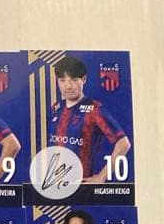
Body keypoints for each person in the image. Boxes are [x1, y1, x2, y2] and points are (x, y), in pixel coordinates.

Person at [47, 55, 131, 183]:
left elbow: (123, 143)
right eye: (62, 80)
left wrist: (102, 176)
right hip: (54, 183)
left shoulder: (94, 109)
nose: (68, 86)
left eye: (74, 80)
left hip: (81, 185)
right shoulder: (56, 107)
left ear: (84, 79)